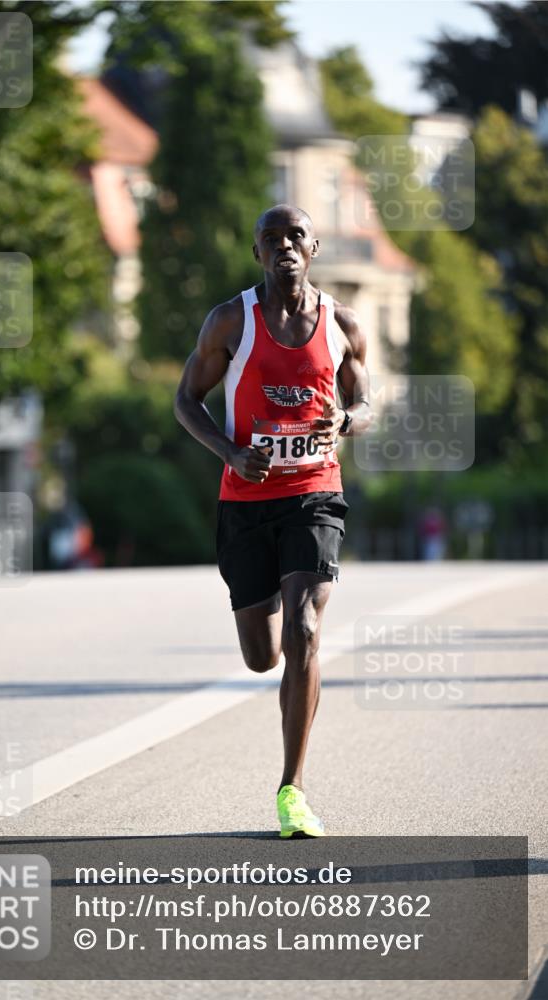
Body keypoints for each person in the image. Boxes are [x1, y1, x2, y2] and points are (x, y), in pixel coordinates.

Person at [174, 204, 371, 837]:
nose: (284, 246)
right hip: (246, 501)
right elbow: (185, 400)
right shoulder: (231, 320)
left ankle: (293, 789)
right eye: (271, 239)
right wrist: (231, 451)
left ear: (313, 247)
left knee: (307, 631)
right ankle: (288, 666)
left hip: (315, 492)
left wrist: (345, 421)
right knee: (263, 656)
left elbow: (365, 400)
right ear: (257, 252)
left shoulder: (342, 323)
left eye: (295, 237)